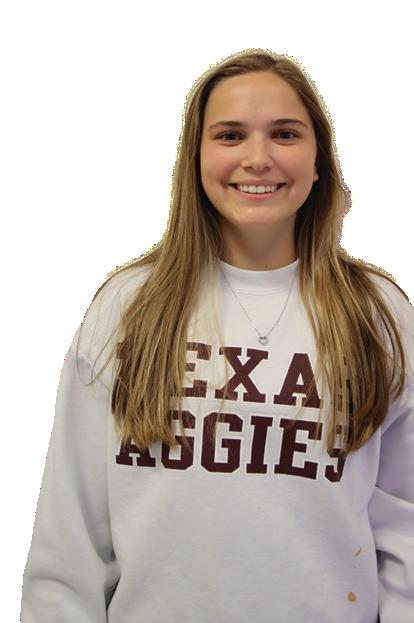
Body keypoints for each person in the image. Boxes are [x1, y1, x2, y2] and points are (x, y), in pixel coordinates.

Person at [20, 49, 413, 623]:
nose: (258, 158)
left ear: (318, 160)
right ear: (196, 159)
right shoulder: (129, 306)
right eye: (230, 135)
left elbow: (405, 519)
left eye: (284, 134)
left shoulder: (375, 314)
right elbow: (71, 531)